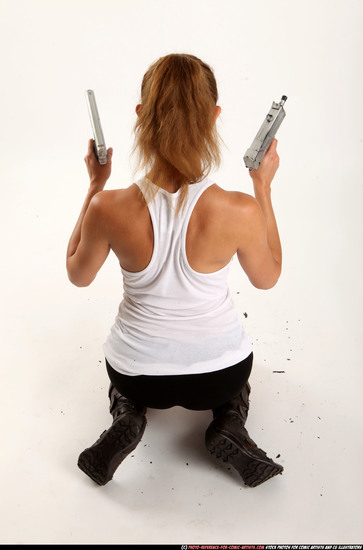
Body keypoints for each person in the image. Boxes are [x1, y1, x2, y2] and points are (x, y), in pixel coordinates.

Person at [66, 53, 284, 488]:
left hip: (136, 374)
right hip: (219, 376)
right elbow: (268, 276)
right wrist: (262, 188)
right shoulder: (238, 209)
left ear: (141, 116)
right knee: (232, 382)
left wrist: (95, 186)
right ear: (214, 117)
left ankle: (127, 411)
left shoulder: (109, 208)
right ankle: (229, 420)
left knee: (127, 385)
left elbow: (78, 273)